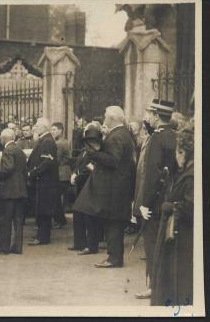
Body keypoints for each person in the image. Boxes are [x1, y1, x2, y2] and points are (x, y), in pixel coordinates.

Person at [73, 106, 135, 268]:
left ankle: (114, 258)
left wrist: (93, 153)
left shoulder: (117, 136)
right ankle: (113, 256)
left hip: (115, 187)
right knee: (114, 221)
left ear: (113, 118)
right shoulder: (122, 134)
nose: (104, 119)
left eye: (106, 116)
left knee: (113, 221)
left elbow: (113, 161)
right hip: (118, 186)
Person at [134, 99, 177, 300]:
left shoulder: (157, 139)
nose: (148, 117)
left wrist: (144, 204)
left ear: (157, 116)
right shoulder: (173, 136)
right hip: (169, 197)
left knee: (152, 244)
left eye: (150, 113)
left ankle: (154, 286)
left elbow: (151, 175)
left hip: (154, 201)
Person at [150, 122, 194, 306]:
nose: (176, 156)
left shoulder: (191, 175)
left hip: (181, 240)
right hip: (176, 237)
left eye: (177, 152)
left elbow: (191, 207)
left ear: (183, 152)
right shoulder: (186, 172)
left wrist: (171, 206)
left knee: (177, 282)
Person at [0, 128, 28, 255]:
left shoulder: (8, 150)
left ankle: (2, 247)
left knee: (4, 219)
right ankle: (17, 247)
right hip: (20, 190)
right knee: (17, 220)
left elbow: (7, 168)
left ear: (3, 138)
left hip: (8, 190)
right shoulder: (19, 150)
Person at [68, 123, 103, 253]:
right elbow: (79, 165)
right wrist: (74, 173)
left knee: (89, 218)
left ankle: (90, 245)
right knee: (78, 216)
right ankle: (79, 242)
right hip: (80, 187)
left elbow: (90, 170)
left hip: (88, 187)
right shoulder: (84, 151)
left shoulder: (95, 152)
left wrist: (76, 177)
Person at [27, 117, 59, 245]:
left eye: (37, 125)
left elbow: (46, 162)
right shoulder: (45, 140)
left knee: (44, 209)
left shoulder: (47, 141)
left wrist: (32, 173)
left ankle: (42, 237)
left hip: (46, 181)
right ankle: (41, 236)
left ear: (44, 127)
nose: (35, 127)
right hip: (43, 181)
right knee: (41, 208)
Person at [51, 122, 70, 229]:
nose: (52, 132)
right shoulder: (64, 141)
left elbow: (56, 159)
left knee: (57, 198)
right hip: (64, 172)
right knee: (59, 197)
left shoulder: (59, 143)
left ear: (60, 130)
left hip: (61, 173)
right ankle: (60, 219)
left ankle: (60, 220)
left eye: (54, 129)